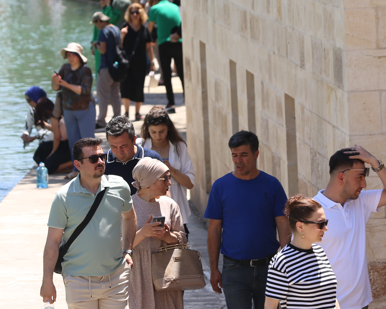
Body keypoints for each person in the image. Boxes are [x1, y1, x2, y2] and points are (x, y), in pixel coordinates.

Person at [40, 137, 137, 308]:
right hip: (78, 281)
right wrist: (47, 281)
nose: (100, 161)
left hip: (116, 277)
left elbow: (129, 217)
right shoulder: (63, 197)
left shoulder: (120, 186)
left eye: (102, 156)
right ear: (77, 165)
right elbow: (53, 242)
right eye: (93, 159)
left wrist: (127, 249)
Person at [204, 131, 292, 309]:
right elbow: (214, 230)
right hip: (234, 270)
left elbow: (284, 226)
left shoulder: (272, 184)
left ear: (256, 154)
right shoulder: (220, 187)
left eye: (244, 155)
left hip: (269, 268)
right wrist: (214, 269)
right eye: (234, 155)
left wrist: (286, 266)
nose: (238, 160)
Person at [314, 146, 386, 309]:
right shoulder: (311, 212)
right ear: (341, 177)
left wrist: (374, 162)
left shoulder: (360, 201)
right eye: (360, 177)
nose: (364, 184)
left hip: (361, 304)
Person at [129, 157, 187, 309]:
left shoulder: (170, 205)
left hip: (167, 274)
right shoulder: (127, 207)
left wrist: (168, 237)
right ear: (149, 180)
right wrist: (143, 233)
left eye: (169, 178)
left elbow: (183, 239)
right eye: (165, 178)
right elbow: (116, 246)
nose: (169, 183)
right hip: (137, 275)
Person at [265, 195, 339, 309]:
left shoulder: (320, 253)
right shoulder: (281, 262)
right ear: (300, 226)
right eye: (320, 224)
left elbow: (332, 298)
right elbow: (270, 306)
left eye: (326, 222)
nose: (326, 228)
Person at [140, 106, 194, 236]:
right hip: (148, 211)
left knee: (178, 252)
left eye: (161, 131)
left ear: (168, 128)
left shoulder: (179, 147)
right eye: (153, 132)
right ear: (147, 130)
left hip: (176, 210)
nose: (158, 136)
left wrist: (172, 170)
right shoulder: (140, 147)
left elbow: (190, 183)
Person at [51, 43, 95, 165]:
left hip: (85, 109)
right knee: (73, 143)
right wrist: (54, 81)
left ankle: (91, 166)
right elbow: (56, 88)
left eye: (73, 54)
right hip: (68, 110)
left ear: (79, 56)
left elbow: (84, 90)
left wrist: (65, 84)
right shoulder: (64, 68)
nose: (70, 57)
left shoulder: (85, 70)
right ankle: (76, 169)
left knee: (87, 142)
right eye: (68, 54)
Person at [105, 116, 162, 194]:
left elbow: (164, 193)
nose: (119, 152)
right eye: (113, 147)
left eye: (123, 146)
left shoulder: (152, 159)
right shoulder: (101, 162)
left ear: (134, 140)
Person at [148, 0, 184, 113]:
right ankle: (186, 99)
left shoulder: (154, 8)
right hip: (179, 42)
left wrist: (150, 41)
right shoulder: (174, 6)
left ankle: (171, 103)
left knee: (167, 75)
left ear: (154, 0)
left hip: (164, 43)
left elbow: (149, 28)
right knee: (181, 72)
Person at [119, 3, 154, 120]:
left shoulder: (144, 29)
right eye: (132, 12)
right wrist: (122, 35)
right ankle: (126, 112)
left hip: (140, 62)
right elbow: (119, 46)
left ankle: (137, 113)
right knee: (125, 86)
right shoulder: (125, 27)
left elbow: (149, 47)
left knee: (139, 87)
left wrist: (152, 62)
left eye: (137, 12)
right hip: (126, 63)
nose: (134, 15)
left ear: (141, 14)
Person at [92, 11, 122, 129]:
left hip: (105, 68)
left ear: (99, 21)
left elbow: (103, 49)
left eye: (95, 23)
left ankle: (101, 120)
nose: (96, 26)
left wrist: (96, 45)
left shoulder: (103, 31)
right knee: (115, 93)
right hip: (116, 66)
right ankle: (118, 118)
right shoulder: (116, 29)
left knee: (102, 95)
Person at [32, 98, 73, 174]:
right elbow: (59, 130)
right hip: (68, 142)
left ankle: (73, 163)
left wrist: (52, 152)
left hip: (67, 146)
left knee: (47, 167)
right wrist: (45, 125)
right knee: (42, 148)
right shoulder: (59, 112)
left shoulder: (53, 116)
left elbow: (57, 138)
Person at [91, 0, 114, 73]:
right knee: (99, 68)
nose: (101, 1)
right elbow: (95, 32)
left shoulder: (112, 11)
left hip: (106, 44)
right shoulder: (100, 13)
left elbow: (110, 20)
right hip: (98, 44)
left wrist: (108, 6)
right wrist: (92, 46)